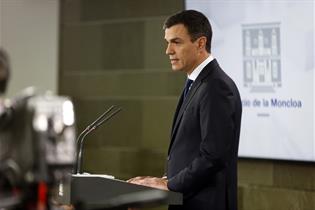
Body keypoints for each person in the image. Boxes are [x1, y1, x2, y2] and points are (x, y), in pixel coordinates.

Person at [128, 10, 242, 210]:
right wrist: (165, 179)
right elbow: (190, 149)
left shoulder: (216, 86)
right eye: (167, 42)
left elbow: (213, 156)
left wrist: (170, 184)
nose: (168, 50)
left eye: (176, 42)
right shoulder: (196, 82)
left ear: (200, 43)